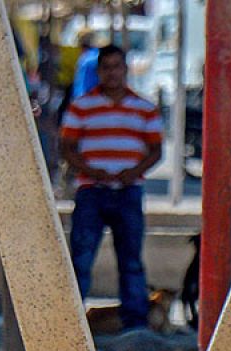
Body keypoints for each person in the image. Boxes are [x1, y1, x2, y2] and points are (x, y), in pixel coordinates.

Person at [59, 44, 162, 335]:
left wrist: (133, 173)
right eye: (106, 67)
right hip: (91, 191)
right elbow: (67, 147)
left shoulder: (144, 108)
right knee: (81, 259)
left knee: (131, 261)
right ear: (99, 71)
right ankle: (71, 325)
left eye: (117, 66)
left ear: (125, 69)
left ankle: (136, 325)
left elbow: (156, 150)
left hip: (128, 192)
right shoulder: (81, 106)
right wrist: (93, 172)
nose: (112, 73)